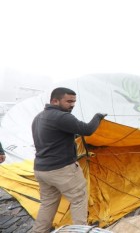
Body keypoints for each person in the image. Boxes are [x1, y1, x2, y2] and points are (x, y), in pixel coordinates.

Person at [31, 87, 107, 233]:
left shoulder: (38, 117)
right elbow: (87, 129)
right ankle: (80, 230)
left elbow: (52, 138)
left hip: (41, 170)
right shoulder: (62, 117)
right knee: (78, 199)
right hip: (61, 169)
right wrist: (98, 116)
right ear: (55, 100)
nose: (72, 105)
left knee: (47, 203)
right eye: (69, 101)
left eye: (74, 101)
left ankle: (39, 231)